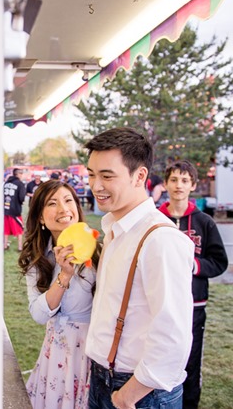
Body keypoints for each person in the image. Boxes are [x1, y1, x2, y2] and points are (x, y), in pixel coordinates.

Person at [84, 127, 195, 409]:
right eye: (91, 174)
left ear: (140, 176)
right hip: (104, 379)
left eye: (107, 176)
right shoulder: (113, 229)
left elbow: (173, 336)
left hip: (139, 392)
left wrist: (127, 396)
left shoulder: (161, 239)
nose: (96, 185)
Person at [18, 179, 100, 409]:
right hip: (55, 353)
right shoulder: (38, 259)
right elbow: (38, 315)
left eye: (68, 200)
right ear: (42, 218)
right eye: (52, 203)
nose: (63, 209)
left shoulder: (98, 252)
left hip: (91, 353)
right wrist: (63, 276)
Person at [157, 160, 228, 409]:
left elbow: (219, 262)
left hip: (194, 307)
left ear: (193, 186)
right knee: (158, 358)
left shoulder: (204, 222)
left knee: (189, 361)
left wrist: (194, 266)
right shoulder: (155, 219)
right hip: (159, 303)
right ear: (165, 184)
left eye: (185, 180)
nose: (179, 185)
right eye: (174, 179)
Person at [4, 168, 26, 251]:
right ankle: (20, 247)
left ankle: (5, 245)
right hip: (15, 210)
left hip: (6, 209)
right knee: (19, 229)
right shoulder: (20, 184)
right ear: (19, 174)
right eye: (21, 174)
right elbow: (22, 197)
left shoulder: (6, 183)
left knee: (6, 229)